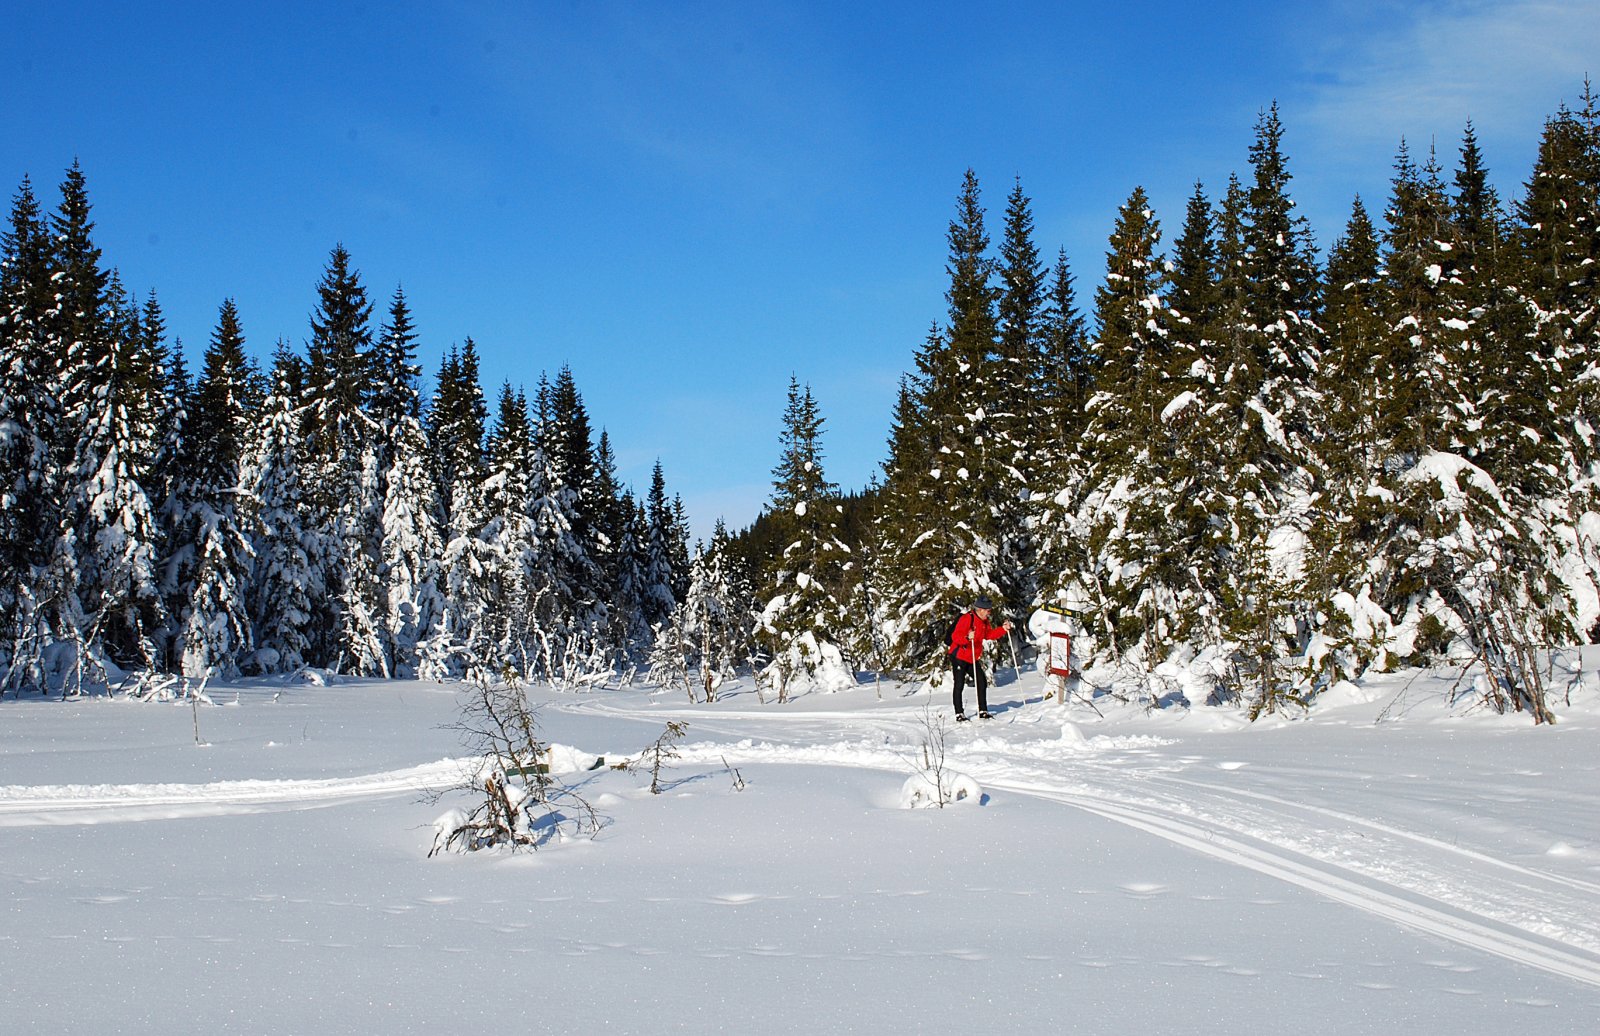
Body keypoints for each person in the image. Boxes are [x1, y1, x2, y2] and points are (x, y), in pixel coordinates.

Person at [948, 595, 1012, 721]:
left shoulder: (984, 622)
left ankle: (983, 710)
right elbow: (955, 637)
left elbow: (989, 635)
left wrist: (1003, 629)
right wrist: (967, 637)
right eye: (988, 610)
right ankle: (959, 713)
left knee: (981, 681)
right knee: (959, 684)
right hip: (959, 655)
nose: (989, 613)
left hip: (971, 657)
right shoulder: (967, 619)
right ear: (981, 610)